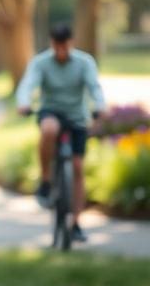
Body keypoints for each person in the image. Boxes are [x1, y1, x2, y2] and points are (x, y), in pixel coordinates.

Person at [16, 22, 106, 242]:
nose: (61, 51)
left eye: (65, 45)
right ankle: (46, 180)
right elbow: (29, 84)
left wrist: (100, 106)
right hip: (51, 111)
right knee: (49, 128)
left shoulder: (84, 62)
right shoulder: (41, 62)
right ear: (52, 43)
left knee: (77, 166)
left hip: (77, 117)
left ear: (71, 43)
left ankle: (75, 222)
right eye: (57, 46)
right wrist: (24, 103)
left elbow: (94, 87)